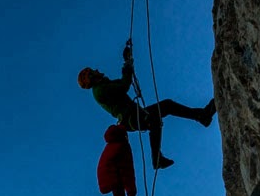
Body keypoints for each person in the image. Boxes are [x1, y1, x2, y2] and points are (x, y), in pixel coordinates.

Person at [78, 42, 215, 169]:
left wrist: (127, 62)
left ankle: (201, 115)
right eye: (92, 71)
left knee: (166, 106)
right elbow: (124, 85)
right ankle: (156, 159)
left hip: (133, 114)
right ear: (91, 77)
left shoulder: (103, 86)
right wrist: (127, 65)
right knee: (154, 121)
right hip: (130, 117)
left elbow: (122, 83)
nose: (96, 70)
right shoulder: (100, 90)